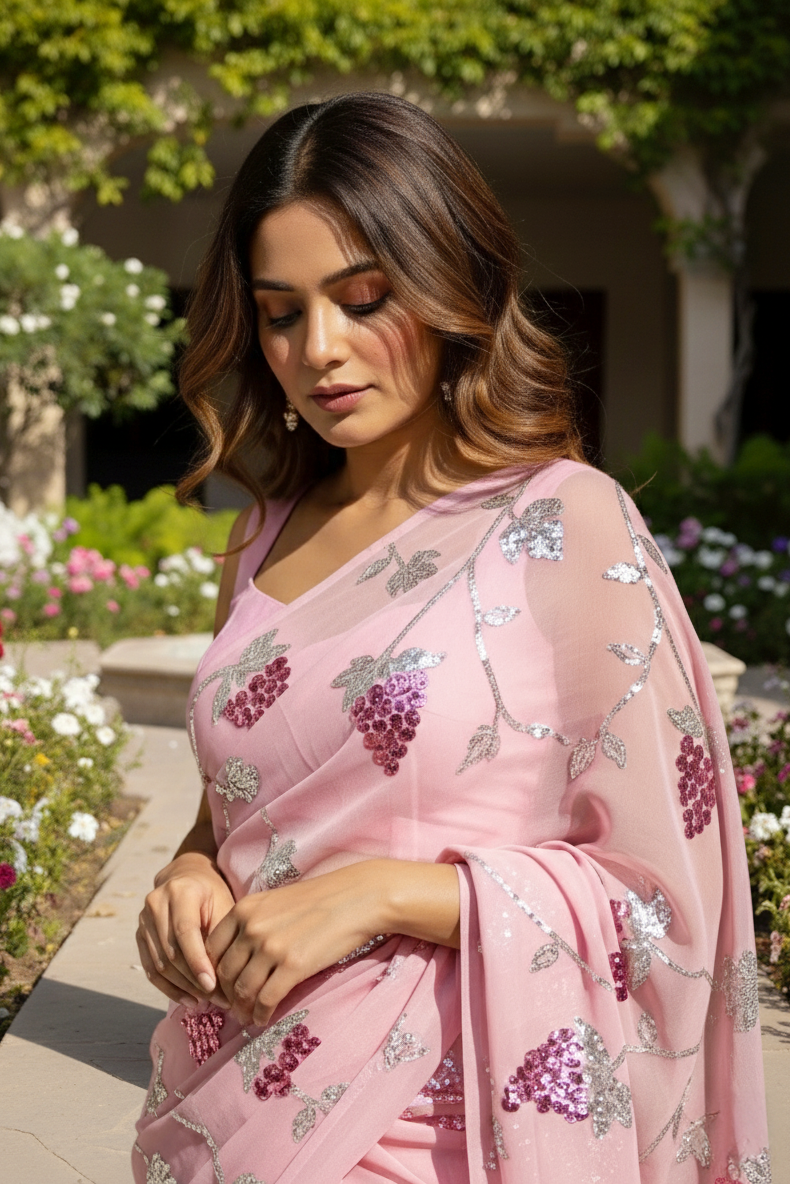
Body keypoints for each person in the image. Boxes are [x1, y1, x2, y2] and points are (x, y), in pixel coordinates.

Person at [133, 92, 769, 1184]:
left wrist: (382, 890)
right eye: (281, 313)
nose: (317, 350)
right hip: (228, 1101)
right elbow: (243, 803)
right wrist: (190, 867)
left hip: (450, 1124)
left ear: (452, 287)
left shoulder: (561, 524)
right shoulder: (263, 535)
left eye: (363, 298)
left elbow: (664, 903)